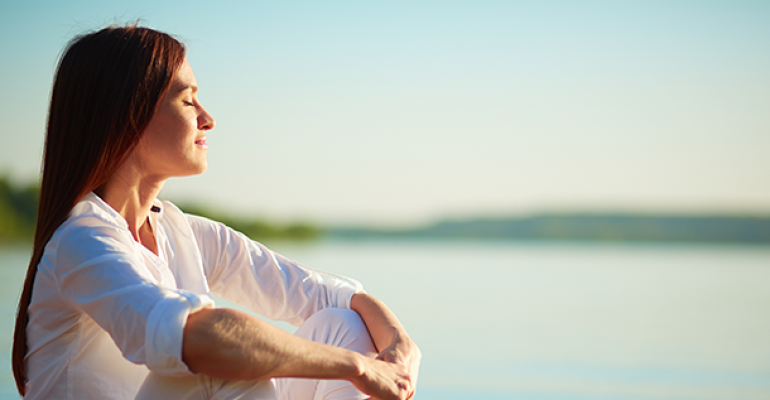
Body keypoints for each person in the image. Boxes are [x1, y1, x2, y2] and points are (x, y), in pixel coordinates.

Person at [12, 25, 420, 400]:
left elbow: (330, 296)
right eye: (188, 100)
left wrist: (400, 346)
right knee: (220, 357)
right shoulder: (82, 240)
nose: (207, 119)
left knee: (343, 328)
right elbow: (197, 338)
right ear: (127, 115)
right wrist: (358, 368)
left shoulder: (179, 232)